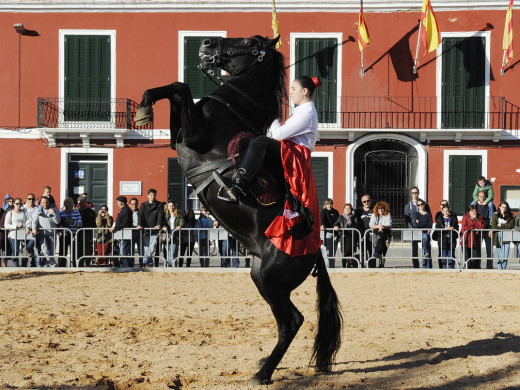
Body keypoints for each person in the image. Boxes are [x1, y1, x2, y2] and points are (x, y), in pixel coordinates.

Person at [218, 76, 322, 258]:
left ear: (305, 91)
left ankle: (239, 184)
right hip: (290, 152)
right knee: (250, 141)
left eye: (294, 89)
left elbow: (279, 133)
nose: (291, 92)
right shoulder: (301, 110)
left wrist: (272, 116)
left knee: (261, 142)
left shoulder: (306, 112)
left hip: (296, 156)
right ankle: (242, 179)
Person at [137, 189, 166, 267]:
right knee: (147, 249)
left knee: (152, 248)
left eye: (154, 195)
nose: (153, 197)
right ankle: (149, 265)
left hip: (155, 230)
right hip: (146, 230)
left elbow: (160, 215)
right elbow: (141, 215)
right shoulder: (143, 205)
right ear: (148, 195)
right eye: (151, 195)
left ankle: (144, 260)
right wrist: (139, 224)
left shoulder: (159, 205)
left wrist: (159, 224)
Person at [404, 187, 430, 268]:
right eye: (413, 193)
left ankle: (425, 265)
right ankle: (416, 265)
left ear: (418, 193)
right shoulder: (408, 206)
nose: (414, 194)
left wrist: (429, 227)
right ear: (411, 194)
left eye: (416, 192)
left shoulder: (424, 203)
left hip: (424, 229)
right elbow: (407, 219)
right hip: (413, 230)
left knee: (425, 246)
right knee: (414, 249)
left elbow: (429, 215)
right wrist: (411, 228)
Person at [32, 196, 61, 267]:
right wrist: (34, 228)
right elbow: (34, 221)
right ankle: (53, 265)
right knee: (45, 251)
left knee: (51, 252)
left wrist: (54, 213)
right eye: (43, 202)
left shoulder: (54, 209)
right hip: (43, 234)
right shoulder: (38, 211)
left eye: (47, 202)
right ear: (41, 203)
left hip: (52, 234)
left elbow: (57, 221)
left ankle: (48, 265)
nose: (45, 204)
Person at [4, 198, 31, 267]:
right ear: (14, 204)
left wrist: (28, 227)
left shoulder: (24, 212)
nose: (18, 205)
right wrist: (16, 226)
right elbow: (6, 225)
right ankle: (16, 266)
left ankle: (24, 266)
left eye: (20, 204)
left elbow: (28, 221)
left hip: (23, 234)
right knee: (15, 251)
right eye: (17, 203)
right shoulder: (10, 213)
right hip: (13, 235)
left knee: (24, 251)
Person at [333, 203, 361, 268]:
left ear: (351, 210)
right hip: (344, 236)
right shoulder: (340, 217)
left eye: (349, 208)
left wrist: (358, 239)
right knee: (344, 252)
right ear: (344, 209)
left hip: (353, 237)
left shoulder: (355, 218)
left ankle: (350, 265)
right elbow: (335, 224)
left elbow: (358, 227)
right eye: (346, 208)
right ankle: (343, 265)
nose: (348, 210)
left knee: (351, 252)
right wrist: (335, 226)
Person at [109, 196, 133, 268]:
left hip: (124, 234)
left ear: (121, 202)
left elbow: (125, 223)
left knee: (123, 251)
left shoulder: (126, 211)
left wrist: (115, 227)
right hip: (121, 234)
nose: (117, 203)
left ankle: (124, 267)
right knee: (122, 251)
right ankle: (123, 266)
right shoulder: (123, 210)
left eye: (118, 202)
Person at [432, 204, 459, 269]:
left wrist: (453, 228)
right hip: (442, 239)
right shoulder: (439, 219)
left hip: (451, 239)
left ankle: (451, 268)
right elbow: (437, 228)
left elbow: (456, 228)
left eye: (447, 211)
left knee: (451, 255)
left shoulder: (453, 219)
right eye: (444, 211)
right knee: (443, 255)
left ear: (449, 211)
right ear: (442, 211)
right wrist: (444, 229)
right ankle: (443, 268)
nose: (446, 212)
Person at [59, 197, 82, 267]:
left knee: (74, 251)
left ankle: (74, 266)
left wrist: (73, 222)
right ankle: (61, 267)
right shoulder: (61, 213)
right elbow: (58, 223)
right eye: (66, 204)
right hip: (64, 235)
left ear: (73, 205)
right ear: (64, 205)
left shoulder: (76, 212)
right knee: (62, 251)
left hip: (74, 234)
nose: (68, 205)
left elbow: (80, 224)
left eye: (69, 204)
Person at [460, 205, 485, 269]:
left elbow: (482, 226)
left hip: (475, 241)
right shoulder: (465, 217)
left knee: (475, 259)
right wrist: (474, 228)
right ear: (469, 212)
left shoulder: (479, 217)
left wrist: (476, 219)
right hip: (466, 241)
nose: (474, 212)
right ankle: (466, 270)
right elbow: (464, 228)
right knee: (467, 259)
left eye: (475, 211)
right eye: (472, 211)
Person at [491, 202, 514, 270]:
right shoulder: (495, 215)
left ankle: (504, 268)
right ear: (499, 207)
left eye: (505, 207)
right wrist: (505, 227)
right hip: (498, 235)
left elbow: (511, 225)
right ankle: (500, 268)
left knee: (506, 254)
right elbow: (494, 226)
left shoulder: (510, 215)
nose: (504, 209)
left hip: (507, 235)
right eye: (502, 207)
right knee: (499, 254)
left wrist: (501, 225)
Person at [411, 199, 433, 269]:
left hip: (426, 233)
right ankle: (424, 265)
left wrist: (420, 223)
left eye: (422, 204)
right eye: (419, 205)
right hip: (419, 233)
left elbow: (430, 224)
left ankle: (427, 266)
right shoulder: (416, 214)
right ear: (417, 206)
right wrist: (425, 224)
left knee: (425, 247)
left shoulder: (429, 214)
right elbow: (415, 225)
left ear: (424, 204)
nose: (421, 206)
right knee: (425, 246)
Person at [369, 201, 392, 268]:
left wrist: (383, 227)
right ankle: (377, 254)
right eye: (379, 209)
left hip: (385, 232)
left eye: (382, 208)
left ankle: (381, 262)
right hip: (376, 232)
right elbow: (371, 225)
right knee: (377, 245)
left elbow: (389, 224)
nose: (380, 210)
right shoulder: (374, 215)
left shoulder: (387, 215)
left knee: (384, 248)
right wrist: (379, 227)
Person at [475, 190, 493, 269]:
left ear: (486, 197)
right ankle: (477, 266)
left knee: (489, 250)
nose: (482, 198)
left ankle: (489, 267)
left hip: (487, 230)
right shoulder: (475, 206)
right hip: (478, 231)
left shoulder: (490, 205)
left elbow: (492, 218)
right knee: (477, 250)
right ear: (478, 197)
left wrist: (491, 229)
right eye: (481, 196)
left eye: (483, 196)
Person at [77, 195, 97, 267]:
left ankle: (88, 264)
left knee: (88, 249)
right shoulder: (77, 211)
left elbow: (94, 222)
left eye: (83, 201)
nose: (81, 203)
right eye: (80, 202)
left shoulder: (90, 211)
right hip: (79, 233)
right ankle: (80, 264)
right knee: (79, 249)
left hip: (88, 233)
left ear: (85, 202)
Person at [320, 198, 340, 268]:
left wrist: (336, 226)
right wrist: (322, 225)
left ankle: (332, 266)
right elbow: (322, 220)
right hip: (328, 233)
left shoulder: (335, 212)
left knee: (333, 251)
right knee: (327, 251)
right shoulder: (323, 211)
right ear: (325, 205)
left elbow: (338, 220)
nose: (329, 205)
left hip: (335, 233)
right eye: (328, 204)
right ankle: (327, 267)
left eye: (330, 204)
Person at [356, 194, 374, 267]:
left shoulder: (375, 210)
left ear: (371, 201)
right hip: (362, 234)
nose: (366, 202)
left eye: (368, 201)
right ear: (362, 202)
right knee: (363, 251)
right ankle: (362, 266)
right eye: (364, 201)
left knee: (372, 252)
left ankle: (372, 267)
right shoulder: (358, 211)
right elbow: (355, 222)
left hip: (372, 234)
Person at [165, 200, 184, 267]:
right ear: (167, 206)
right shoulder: (165, 215)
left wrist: (180, 226)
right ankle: (171, 266)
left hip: (175, 235)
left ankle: (172, 266)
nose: (171, 207)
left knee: (173, 252)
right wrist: (164, 227)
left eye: (172, 206)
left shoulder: (178, 214)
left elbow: (182, 221)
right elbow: (162, 222)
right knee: (169, 252)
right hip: (167, 235)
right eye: (170, 206)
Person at [129, 197, 141, 267]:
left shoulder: (141, 212)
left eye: (135, 204)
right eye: (132, 204)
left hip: (139, 233)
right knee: (131, 250)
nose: (134, 205)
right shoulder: (128, 213)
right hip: (130, 232)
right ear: (130, 205)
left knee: (141, 250)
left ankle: (142, 264)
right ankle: (131, 265)